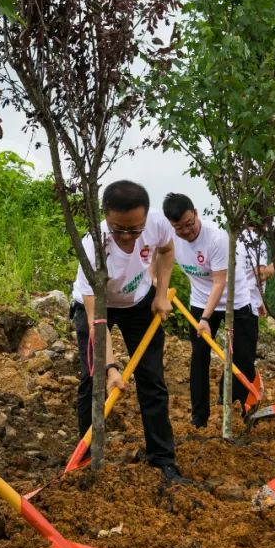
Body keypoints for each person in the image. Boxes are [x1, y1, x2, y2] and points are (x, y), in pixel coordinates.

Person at [71, 180, 184, 482]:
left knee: (152, 379)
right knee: (92, 380)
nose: (126, 237)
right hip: (97, 305)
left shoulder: (157, 223)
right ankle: (85, 459)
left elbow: (167, 250)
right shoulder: (93, 247)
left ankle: (162, 459)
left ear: (145, 217)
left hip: (138, 301)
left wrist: (161, 294)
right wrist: (110, 367)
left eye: (135, 230)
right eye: (118, 229)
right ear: (106, 216)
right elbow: (96, 320)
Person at [163, 194, 259, 427]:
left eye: (189, 223)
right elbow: (159, 256)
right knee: (199, 356)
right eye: (179, 228)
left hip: (235, 301)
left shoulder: (216, 238)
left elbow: (219, 282)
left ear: (196, 213)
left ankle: (237, 408)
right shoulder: (170, 237)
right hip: (200, 301)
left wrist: (206, 318)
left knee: (242, 357)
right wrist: (156, 284)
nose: (186, 231)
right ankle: (199, 417)